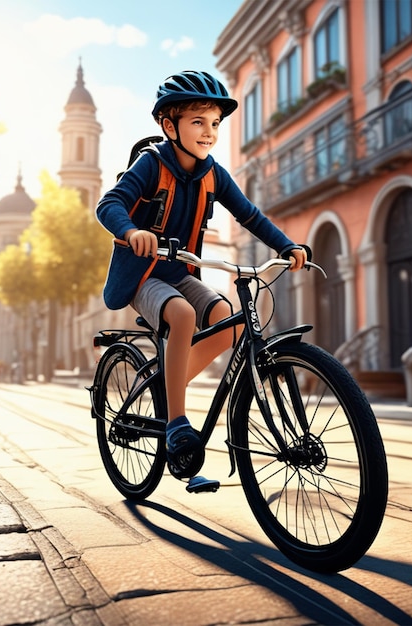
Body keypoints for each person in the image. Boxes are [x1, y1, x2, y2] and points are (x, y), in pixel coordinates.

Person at [96, 70, 307, 476]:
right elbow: (109, 204)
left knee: (231, 321)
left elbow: (250, 215)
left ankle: (165, 384)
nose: (209, 132)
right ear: (168, 125)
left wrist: (286, 245)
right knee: (184, 316)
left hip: (180, 272)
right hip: (144, 274)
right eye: (198, 122)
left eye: (214, 124)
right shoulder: (151, 164)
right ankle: (176, 422)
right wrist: (132, 231)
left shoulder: (214, 173)